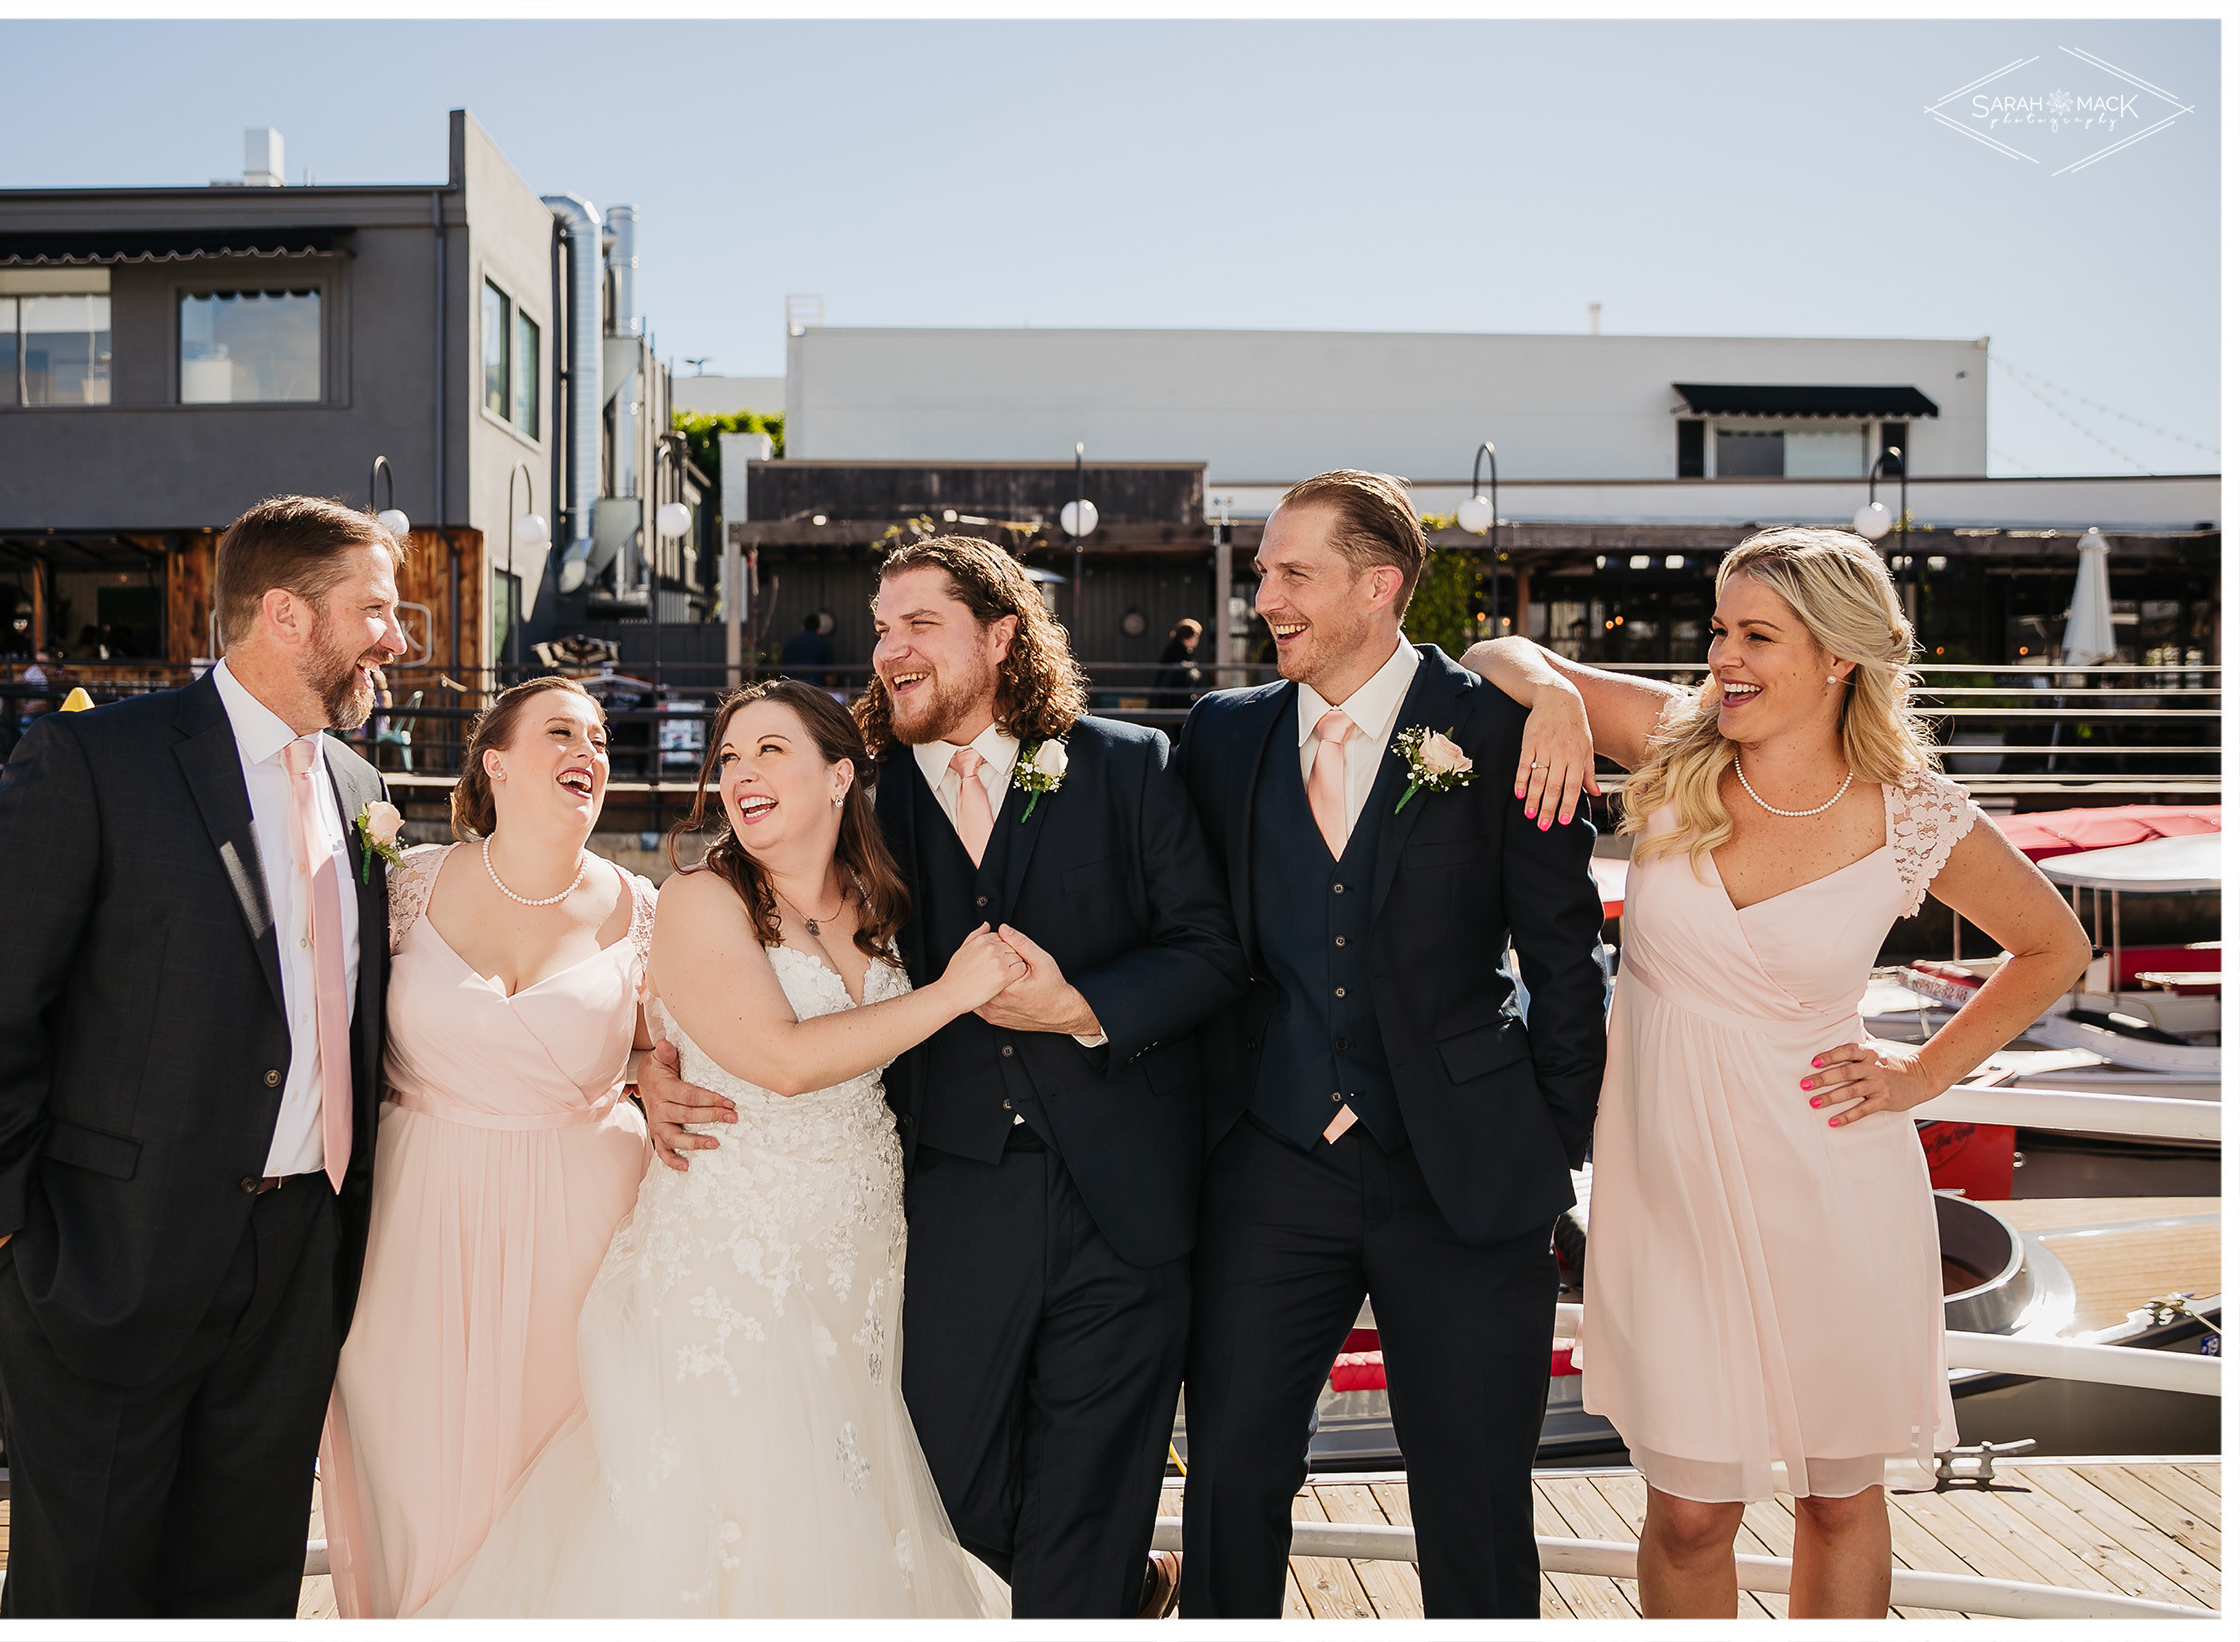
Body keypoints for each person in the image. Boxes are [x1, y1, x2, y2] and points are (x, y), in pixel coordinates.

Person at [1462, 527, 2088, 1618]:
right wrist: (1554, 699)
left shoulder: (1913, 808)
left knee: (1839, 1494)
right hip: (1669, 1178)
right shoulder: (1670, 741)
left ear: (1838, 654)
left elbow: (2053, 947)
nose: (1722, 657)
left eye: (1756, 634)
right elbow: (1493, 653)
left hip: (1831, 1173)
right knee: (1689, 1510)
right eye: (1717, 629)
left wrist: (1921, 1073)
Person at [673, 539, 1244, 1616]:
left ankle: (1098, 1589)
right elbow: (744, 932)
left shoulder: (1127, 764)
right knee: (945, 1494)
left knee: (1091, 1495)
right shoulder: (860, 801)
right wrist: (652, 1062)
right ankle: (1116, 1590)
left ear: (998, 634)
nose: (889, 648)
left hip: (1121, 1198)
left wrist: (1079, 1007)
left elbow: (1210, 953)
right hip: (947, 1194)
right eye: (881, 628)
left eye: (917, 624)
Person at [422, 680, 1024, 1617]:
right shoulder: (702, 898)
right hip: (731, 1250)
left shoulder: (883, 895)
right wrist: (952, 993)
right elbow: (779, 1062)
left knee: (846, 1482)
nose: (740, 773)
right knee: (742, 1498)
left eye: (769, 751)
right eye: (729, 756)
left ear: (839, 776)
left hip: (856, 1238)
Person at [0, 495, 410, 1616]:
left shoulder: (360, 790)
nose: (396, 636)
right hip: (106, 1256)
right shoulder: (95, 760)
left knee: (243, 1585)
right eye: (375, 609)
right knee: (84, 1583)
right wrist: (5, 1221)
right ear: (286, 615)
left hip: (298, 1259)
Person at [1171, 470, 1608, 1619]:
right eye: (1263, 571)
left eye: (1289, 573)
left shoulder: (1499, 729)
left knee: (1472, 1499)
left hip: (1464, 1171)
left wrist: (1548, 1138)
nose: (1262, 595)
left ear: (1378, 586)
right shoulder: (1221, 737)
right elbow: (1188, 939)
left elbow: (1568, 963)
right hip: (1270, 1167)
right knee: (1226, 1470)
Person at [319, 678, 657, 1616]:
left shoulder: (642, 909)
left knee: (556, 1485)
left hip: (581, 1233)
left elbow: (668, 1049)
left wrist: (652, 1074)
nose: (588, 748)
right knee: (416, 1474)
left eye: (599, 736)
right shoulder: (407, 884)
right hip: (413, 1228)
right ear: (495, 763)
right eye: (560, 731)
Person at [1150, 617, 1206, 714]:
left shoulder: (1174, 650)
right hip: (1177, 699)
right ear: (1189, 637)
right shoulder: (1182, 653)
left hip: (1170, 697)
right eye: (1196, 636)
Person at [781, 611, 834, 685]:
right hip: (813, 688)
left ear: (803, 627)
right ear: (818, 629)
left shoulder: (790, 643)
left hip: (790, 687)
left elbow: (784, 668)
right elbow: (829, 677)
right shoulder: (823, 644)